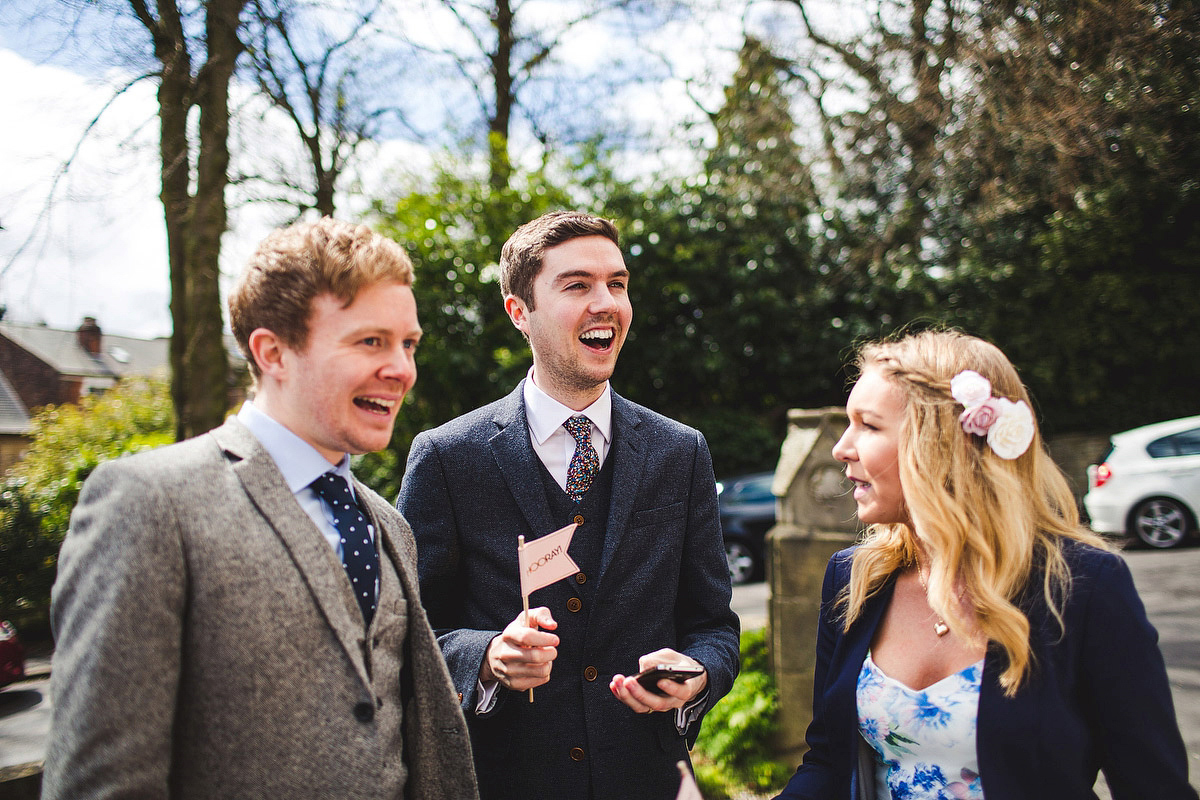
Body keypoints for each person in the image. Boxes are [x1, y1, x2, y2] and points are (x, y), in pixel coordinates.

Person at [43, 218, 479, 800]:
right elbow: (99, 782)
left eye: (408, 344)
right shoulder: (149, 503)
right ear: (273, 352)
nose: (402, 369)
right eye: (370, 341)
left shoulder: (390, 526)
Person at [396, 210, 740, 800]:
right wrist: (486, 656)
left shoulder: (680, 453)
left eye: (618, 284)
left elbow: (713, 625)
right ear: (519, 314)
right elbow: (407, 630)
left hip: (645, 780)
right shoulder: (449, 458)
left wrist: (698, 672)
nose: (605, 302)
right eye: (577, 285)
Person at [775, 329, 1198, 800]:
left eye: (869, 426)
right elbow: (829, 762)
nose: (842, 448)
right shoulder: (854, 578)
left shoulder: (1081, 585)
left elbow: (1153, 785)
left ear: (940, 445)